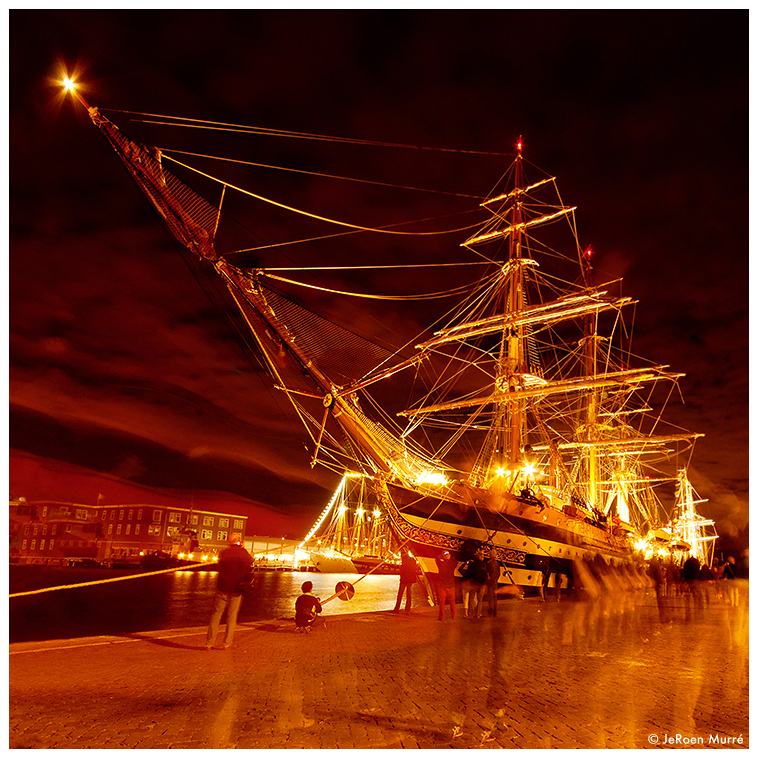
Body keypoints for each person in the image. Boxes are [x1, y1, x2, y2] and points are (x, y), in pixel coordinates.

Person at [206, 532, 253, 650]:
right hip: (237, 589)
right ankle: (227, 644)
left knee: (216, 615)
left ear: (229, 541)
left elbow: (219, 566)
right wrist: (242, 548)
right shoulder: (243, 553)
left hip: (222, 588)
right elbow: (250, 562)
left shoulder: (223, 553)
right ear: (239, 541)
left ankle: (209, 643)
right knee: (231, 616)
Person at [461, 546, 488, 618]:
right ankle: (478, 614)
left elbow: (469, 573)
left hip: (474, 583)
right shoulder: (484, 564)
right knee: (480, 600)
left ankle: (471, 614)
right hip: (482, 584)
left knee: (472, 599)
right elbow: (486, 573)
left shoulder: (472, 564)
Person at [435, 550, 458, 620]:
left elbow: (437, 559)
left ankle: (441, 617)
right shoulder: (452, 565)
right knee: (452, 602)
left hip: (442, 586)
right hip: (451, 585)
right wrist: (450, 556)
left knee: (442, 603)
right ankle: (454, 616)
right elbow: (455, 561)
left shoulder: (441, 564)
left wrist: (442, 555)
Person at [485, 548, 501, 616]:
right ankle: (495, 611)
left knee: (490, 598)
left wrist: (488, 580)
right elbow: (499, 573)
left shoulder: (488, 563)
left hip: (490, 583)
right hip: (495, 582)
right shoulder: (497, 564)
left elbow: (487, 573)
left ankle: (490, 611)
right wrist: (496, 579)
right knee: (495, 597)